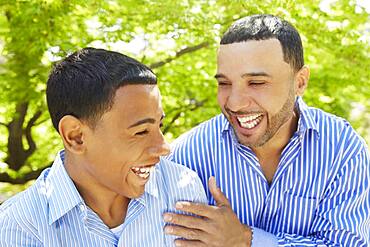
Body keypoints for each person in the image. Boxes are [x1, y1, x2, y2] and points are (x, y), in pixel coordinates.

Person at [164, 14, 370, 246]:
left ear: (300, 82)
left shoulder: (343, 149)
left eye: (256, 83)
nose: (234, 103)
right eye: (224, 83)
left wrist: (245, 239)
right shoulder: (187, 154)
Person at [0, 48, 207, 246]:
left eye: (159, 125)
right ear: (76, 137)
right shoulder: (20, 226)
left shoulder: (182, 188)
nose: (164, 148)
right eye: (141, 131)